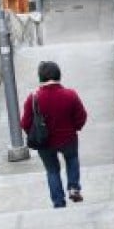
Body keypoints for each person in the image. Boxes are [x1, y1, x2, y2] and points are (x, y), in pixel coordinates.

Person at [21, 61, 88, 208]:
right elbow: (81, 116)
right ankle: (74, 187)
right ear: (59, 76)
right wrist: (75, 127)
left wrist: (36, 134)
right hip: (68, 138)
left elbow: (25, 123)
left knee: (52, 171)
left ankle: (58, 202)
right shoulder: (70, 95)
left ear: (40, 78)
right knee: (72, 159)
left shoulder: (33, 98)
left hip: (44, 143)